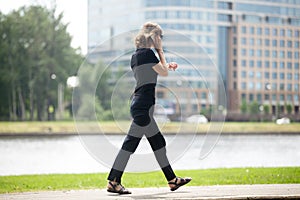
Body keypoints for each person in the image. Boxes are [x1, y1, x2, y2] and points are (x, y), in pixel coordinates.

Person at [107, 22, 192, 195]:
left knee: (158, 143)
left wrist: (166, 65)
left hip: (140, 105)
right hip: (144, 107)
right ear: (153, 37)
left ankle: (172, 180)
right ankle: (113, 181)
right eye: (160, 36)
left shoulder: (137, 55)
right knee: (130, 144)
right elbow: (163, 73)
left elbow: (153, 70)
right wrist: (161, 51)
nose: (161, 40)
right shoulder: (149, 53)